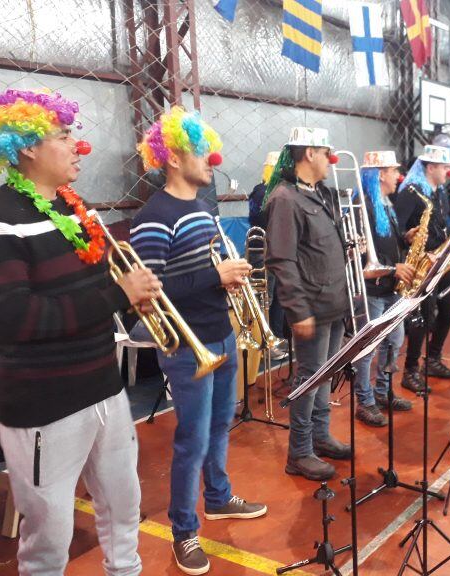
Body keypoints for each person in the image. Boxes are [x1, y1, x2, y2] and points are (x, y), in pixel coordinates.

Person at [0, 89, 161, 575]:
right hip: (44, 406)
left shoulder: (75, 206)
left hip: (105, 389)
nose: (78, 146)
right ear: (27, 147)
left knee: (124, 508)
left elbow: (98, 279)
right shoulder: (4, 218)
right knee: (49, 537)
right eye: (65, 136)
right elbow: (17, 318)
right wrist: (119, 294)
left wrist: (134, 282)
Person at [131, 106, 267, 575]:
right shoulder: (153, 217)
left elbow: (203, 274)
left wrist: (226, 282)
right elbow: (151, 294)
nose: (212, 157)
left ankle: (219, 497)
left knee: (218, 427)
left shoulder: (202, 208)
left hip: (221, 335)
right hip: (188, 349)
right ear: (171, 158)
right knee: (190, 440)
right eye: (199, 151)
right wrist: (215, 274)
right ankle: (184, 530)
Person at [262, 127, 351, 481]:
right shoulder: (285, 199)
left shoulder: (321, 194)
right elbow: (281, 259)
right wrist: (298, 311)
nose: (331, 159)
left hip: (332, 305)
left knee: (324, 376)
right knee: (308, 380)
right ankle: (299, 452)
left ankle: (320, 436)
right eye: (326, 151)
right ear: (309, 153)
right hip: (311, 308)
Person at [351, 151, 415, 427]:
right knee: (367, 349)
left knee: (395, 340)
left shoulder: (385, 203)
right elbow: (363, 258)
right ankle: (365, 402)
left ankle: (383, 392)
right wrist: (393, 268)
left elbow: (385, 242)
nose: (398, 176)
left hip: (390, 287)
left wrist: (405, 239)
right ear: (380, 174)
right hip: (372, 290)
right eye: (392, 171)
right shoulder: (361, 204)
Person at [394, 145, 450, 393]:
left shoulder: (439, 191)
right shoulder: (411, 192)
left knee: (449, 309)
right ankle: (411, 370)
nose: (448, 171)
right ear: (430, 167)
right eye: (445, 167)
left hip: (440, 259)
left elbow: (441, 224)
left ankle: (432, 359)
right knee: (422, 317)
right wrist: (407, 238)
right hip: (422, 264)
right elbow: (397, 227)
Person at [248, 150, 287, 361]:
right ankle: (264, 342)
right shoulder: (261, 191)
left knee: (279, 297)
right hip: (262, 252)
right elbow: (259, 218)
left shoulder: (279, 192)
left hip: (277, 252)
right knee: (266, 298)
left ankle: (277, 337)